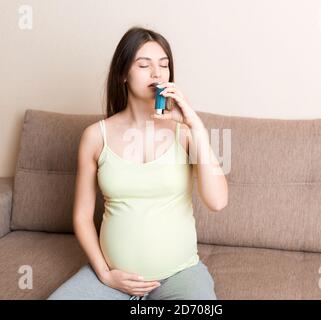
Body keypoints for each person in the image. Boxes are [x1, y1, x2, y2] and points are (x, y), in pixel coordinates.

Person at [47, 26, 228, 300]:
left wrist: (195, 124)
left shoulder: (186, 134)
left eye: (164, 65)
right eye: (144, 65)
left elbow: (217, 202)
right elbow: (82, 217)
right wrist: (106, 274)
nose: (157, 73)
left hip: (179, 275)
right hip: (113, 278)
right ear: (123, 74)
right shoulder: (95, 136)